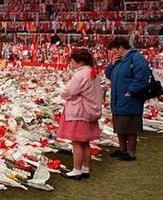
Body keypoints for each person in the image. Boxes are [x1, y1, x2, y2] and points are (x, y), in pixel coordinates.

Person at [57, 48, 104, 180]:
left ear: (79, 61)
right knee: (85, 142)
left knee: (77, 142)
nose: (71, 64)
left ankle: (76, 170)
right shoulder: (92, 72)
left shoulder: (80, 74)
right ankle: (85, 168)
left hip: (79, 111)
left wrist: (64, 95)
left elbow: (70, 91)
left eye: (72, 61)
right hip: (90, 110)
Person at [105, 37, 150, 161]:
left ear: (121, 48)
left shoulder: (136, 59)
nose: (113, 53)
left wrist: (130, 92)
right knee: (120, 126)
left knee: (131, 128)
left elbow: (142, 77)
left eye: (114, 50)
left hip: (130, 99)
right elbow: (108, 75)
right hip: (118, 98)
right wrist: (112, 64)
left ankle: (131, 153)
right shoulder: (119, 60)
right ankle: (122, 149)